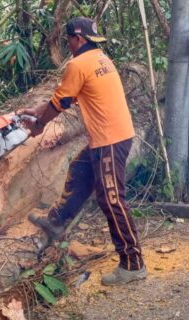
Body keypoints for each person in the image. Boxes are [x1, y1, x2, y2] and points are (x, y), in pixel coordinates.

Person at [21, 17, 146, 286]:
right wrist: (37, 111)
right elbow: (61, 99)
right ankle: (56, 221)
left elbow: (61, 103)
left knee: (112, 199)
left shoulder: (78, 64)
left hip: (109, 140)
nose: (68, 45)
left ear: (77, 39)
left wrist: (39, 125)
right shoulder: (100, 58)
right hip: (112, 135)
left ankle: (133, 263)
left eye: (69, 40)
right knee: (79, 169)